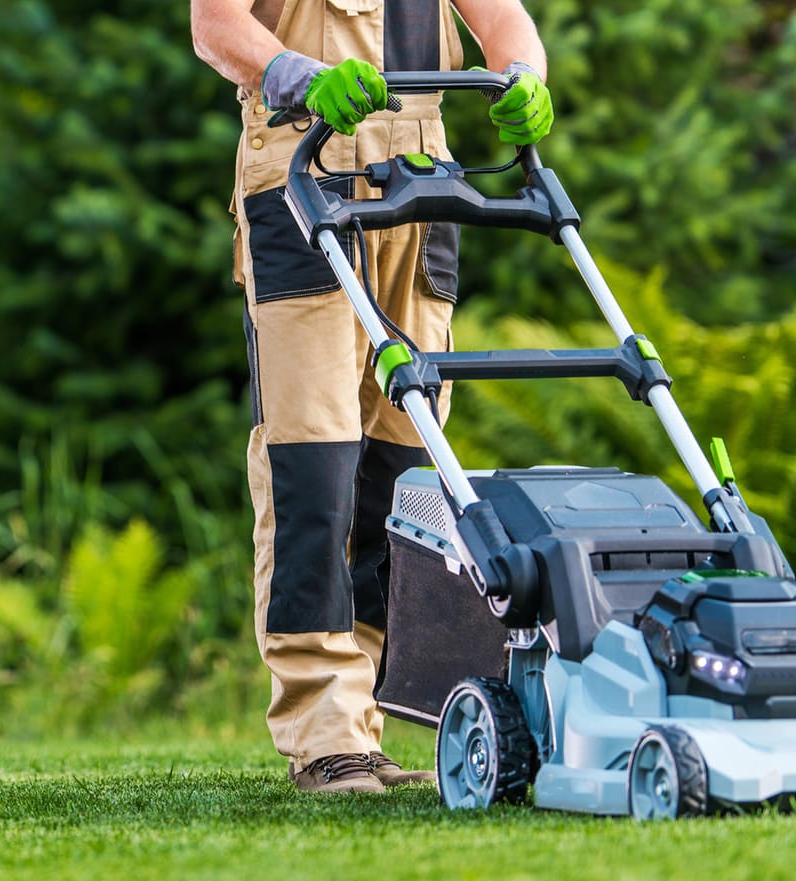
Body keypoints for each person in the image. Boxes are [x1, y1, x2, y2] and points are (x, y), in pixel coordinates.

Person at [191, 0, 553, 794]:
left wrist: (525, 74)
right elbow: (213, 25)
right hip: (300, 171)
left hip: (418, 188)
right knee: (312, 464)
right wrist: (298, 76)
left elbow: (505, 23)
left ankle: (370, 721)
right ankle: (324, 729)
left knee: (405, 471)